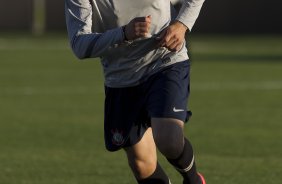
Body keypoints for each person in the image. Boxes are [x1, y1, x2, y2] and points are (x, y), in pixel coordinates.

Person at [65, 0, 206, 183]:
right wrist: (123, 34)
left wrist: (181, 25)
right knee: (142, 165)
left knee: (168, 139)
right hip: (120, 77)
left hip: (165, 60)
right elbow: (79, 44)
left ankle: (194, 180)